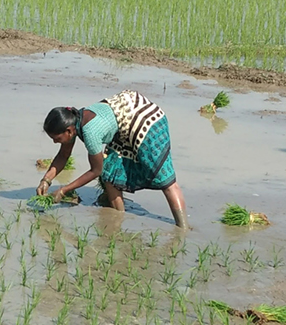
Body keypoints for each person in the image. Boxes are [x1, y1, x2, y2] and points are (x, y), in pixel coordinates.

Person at [39, 90, 187, 227]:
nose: (54, 142)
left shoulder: (90, 132)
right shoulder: (74, 121)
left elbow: (96, 170)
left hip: (147, 121)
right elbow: (64, 154)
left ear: (69, 131)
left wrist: (64, 190)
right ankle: (118, 219)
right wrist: (46, 180)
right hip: (123, 124)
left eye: (57, 138)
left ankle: (183, 228)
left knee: (165, 180)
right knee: (110, 174)